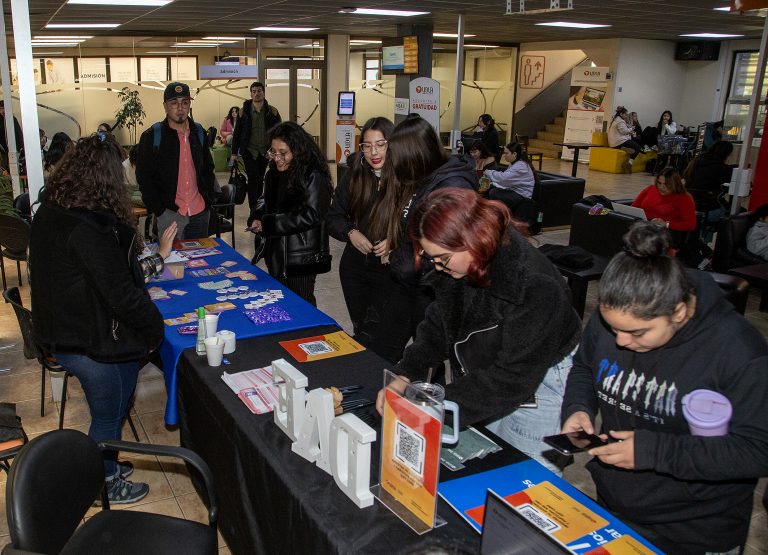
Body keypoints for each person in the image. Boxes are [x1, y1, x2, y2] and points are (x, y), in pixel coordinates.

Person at [561, 220, 768, 554]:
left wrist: (652, 452)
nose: (622, 341)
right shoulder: (614, 320)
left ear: (680, 311)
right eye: (613, 329)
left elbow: (758, 451)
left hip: (694, 527)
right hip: (614, 503)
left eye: (639, 333)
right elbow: (585, 366)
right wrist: (578, 408)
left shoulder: (740, 353)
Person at [375, 188, 581, 473]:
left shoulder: (533, 285)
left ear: (473, 240)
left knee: (523, 477)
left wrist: (435, 407)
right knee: (486, 461)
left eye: (442, 258)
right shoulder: (462, 264)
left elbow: (510, 380)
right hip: (490, 369)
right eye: (431, 257)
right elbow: (439, 326)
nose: (437, 265)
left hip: (541, 384)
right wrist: (406, 373)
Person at [30, 134, 177, 504]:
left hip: (63, 327)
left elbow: (108, 281)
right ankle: (103, 482)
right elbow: (123, 295)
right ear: (105, 179)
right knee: (110, 407)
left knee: (122, 386)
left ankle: (105, 460)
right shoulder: (87, 229)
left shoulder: (55, 209)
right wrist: (155, 331)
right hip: (80, 339)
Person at [327, 117, 408, 363]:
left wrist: (396, 242)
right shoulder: (354, 176)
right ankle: (366, 381)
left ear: (392, 144)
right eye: (367, 145)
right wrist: (351, 233)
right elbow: (333, 216)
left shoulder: (406, 178)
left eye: (380, 144)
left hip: (391, 272)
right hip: (355, 269)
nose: (374, 152)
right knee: (362, 332)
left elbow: (420, 224)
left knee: (386, 336)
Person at [246, 121, 332, 305]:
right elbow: (265, 198)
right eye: (273, 152)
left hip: (301, 257)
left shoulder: (312, 175)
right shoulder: (274, 173)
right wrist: (257, 215)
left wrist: (269, 223)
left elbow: (312, 215)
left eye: (283, 153)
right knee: (281, 302)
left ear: (298, 150)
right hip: (277, 252)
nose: (277, 158)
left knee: (302, 304)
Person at [136, 81, 216, 240]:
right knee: (172, 262)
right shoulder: (152, 136)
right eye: (174, 103)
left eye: (185, 103)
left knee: (199, 263)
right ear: (165, 106)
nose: (180, 108)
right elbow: (144, 177)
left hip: (199, 212)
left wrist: (208, 199)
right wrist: (159, 209)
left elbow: (208, 168)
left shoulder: (199, 132)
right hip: (169, 214)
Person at [230, 81, 282, 209]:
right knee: (253, 178)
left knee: (260, 178)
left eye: (259, 91)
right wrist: (233, 153)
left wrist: (277, 150)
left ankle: (259, 206)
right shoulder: (243, 112)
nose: (257, 94)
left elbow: (279, 132)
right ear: (251, 94)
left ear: (263, 92)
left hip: (265, 151)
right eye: (254, 91)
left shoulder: (272, 111)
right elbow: (237, 133)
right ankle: (253, 208)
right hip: (249, 150)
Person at [631, 167, 696, 232]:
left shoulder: (684, 198)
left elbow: (690, 224)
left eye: (666, 184)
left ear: (675, 184)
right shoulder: (650, 189)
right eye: (659, 183)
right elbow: (633, 207)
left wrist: (667, 224)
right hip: (643, 226)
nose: (661, 187)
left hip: (666, 232)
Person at [683, 140, 735, 218]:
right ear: (726, 154)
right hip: (709, 209)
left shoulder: (695, 162)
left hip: (687, 205)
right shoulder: (722, 168)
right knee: (737, 213)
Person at [607, 106, 640, 173]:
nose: (626, 116)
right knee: (638, 147)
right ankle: (629, 164)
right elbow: (624, 131)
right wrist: (631, 129)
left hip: (615, 143)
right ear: (621, 114)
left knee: (634, 144)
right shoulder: (620, 121)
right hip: (618, 141)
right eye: (625, 114)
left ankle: (623, 148)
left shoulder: (616, 119)